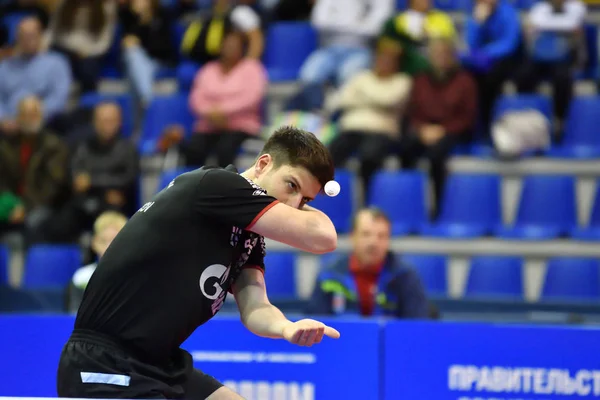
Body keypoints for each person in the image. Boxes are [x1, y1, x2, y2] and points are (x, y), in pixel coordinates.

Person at [57, 126, 341, 399]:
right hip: (105, 360)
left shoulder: (248, 236)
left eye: (304, 200)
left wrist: (285, 328)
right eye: (291, 185)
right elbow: (323, 237)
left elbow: (256, 306)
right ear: (264, 163)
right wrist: (304, 206)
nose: (293, 205)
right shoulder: (215, 185)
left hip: (158, 362)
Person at [307, 208, 430, 318]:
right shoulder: (329, 275)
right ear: (352, 236)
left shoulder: (405, 276)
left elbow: (416, 325)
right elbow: (315, 321)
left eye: (381, 236)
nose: (373, 243)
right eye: (366, 234)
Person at [65, 211, 128, 313]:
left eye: (115, 241)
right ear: (95, 243)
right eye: (104, 241)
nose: (109, 247)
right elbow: (74, 315)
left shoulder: (136, 277)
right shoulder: (81, 277)